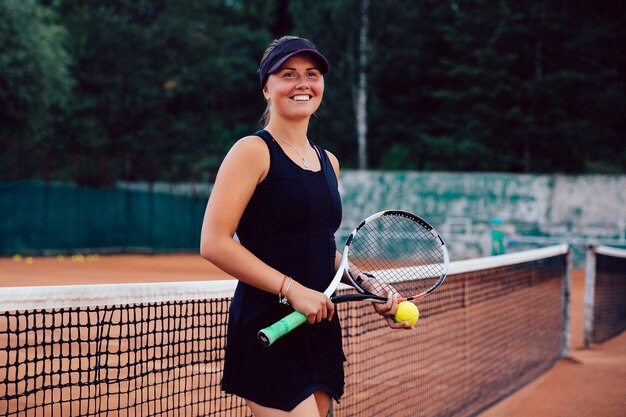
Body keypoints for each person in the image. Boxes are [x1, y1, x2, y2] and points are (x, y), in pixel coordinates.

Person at [200, 36, 410, 417]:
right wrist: (290, 289)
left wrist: (369, 285)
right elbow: (213, 243)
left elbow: (317, 247)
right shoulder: (252, 151)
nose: (303, 84)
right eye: (288, 74)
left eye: (312, 74)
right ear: (267, 87)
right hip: (270, 325)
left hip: (319, 326)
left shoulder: (328, 161)